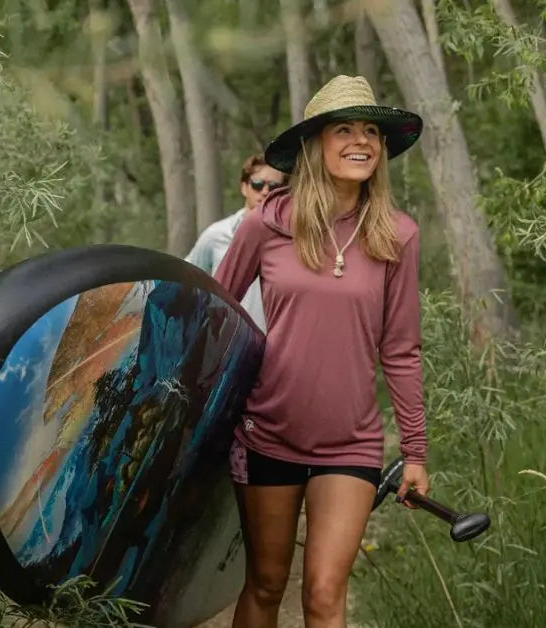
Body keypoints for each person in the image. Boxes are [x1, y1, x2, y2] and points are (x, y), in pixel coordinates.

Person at [212, 75, 431, 628]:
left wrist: (415, 451)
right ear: (316, 144)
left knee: (325, 593)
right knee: (265, 584)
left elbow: (401, 350)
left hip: (351, 443)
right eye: (344, 129)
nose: (361, 141)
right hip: (269, 433)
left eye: (371, 132)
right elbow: (212, 314)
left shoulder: (396, 235)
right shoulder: (267, 224)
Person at [184, 154, 287, 331]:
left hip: (273, 343)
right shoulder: (217, 235)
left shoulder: (289, 240)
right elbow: (187, 279)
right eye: (257, 184)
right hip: (228, 341)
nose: (265, 191)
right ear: (244, 187)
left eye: (274, 186)